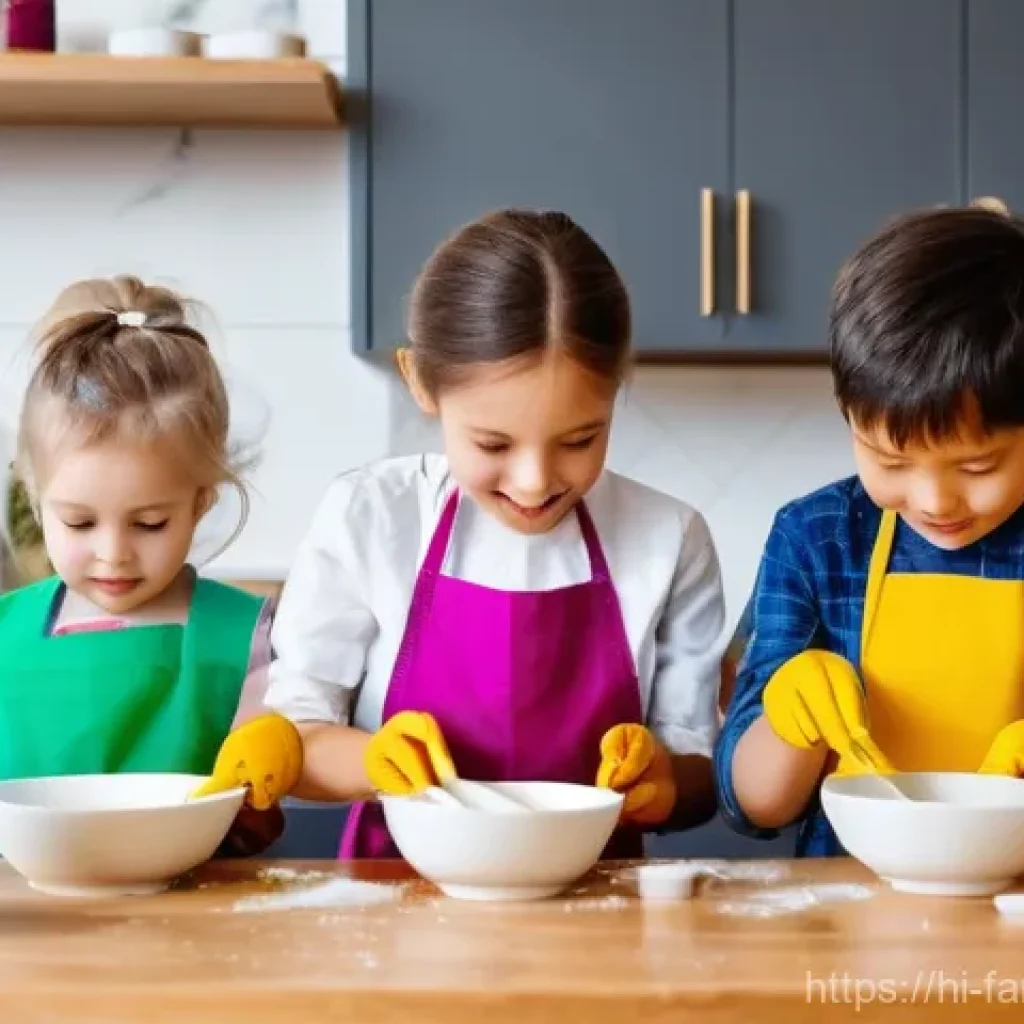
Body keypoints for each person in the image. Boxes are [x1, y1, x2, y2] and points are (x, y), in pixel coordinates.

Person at [264, 208, 727, 858]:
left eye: (580, 439)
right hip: (396, 908)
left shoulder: (669, 538)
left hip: (600, 909)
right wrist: (370, 759)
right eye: (492, 443)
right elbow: (292, 742)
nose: (535, 482)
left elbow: (700, 772)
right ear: (420, 382)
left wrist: (663, 780)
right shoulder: (371, 517)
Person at [715, 206, 1024, 856]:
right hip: (848, 912)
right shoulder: (817, 539)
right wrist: (790, 718)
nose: (934, 499)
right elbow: (754, 805)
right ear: (849, 416)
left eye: (978, 465)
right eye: (890, 461)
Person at [0, 275, 301, 855]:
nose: (114, 552)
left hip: (197, 924)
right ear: (35, 499)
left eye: (149, 523)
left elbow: (265, 801)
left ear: (201, 501)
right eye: (80, 523)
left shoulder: (249, 638)